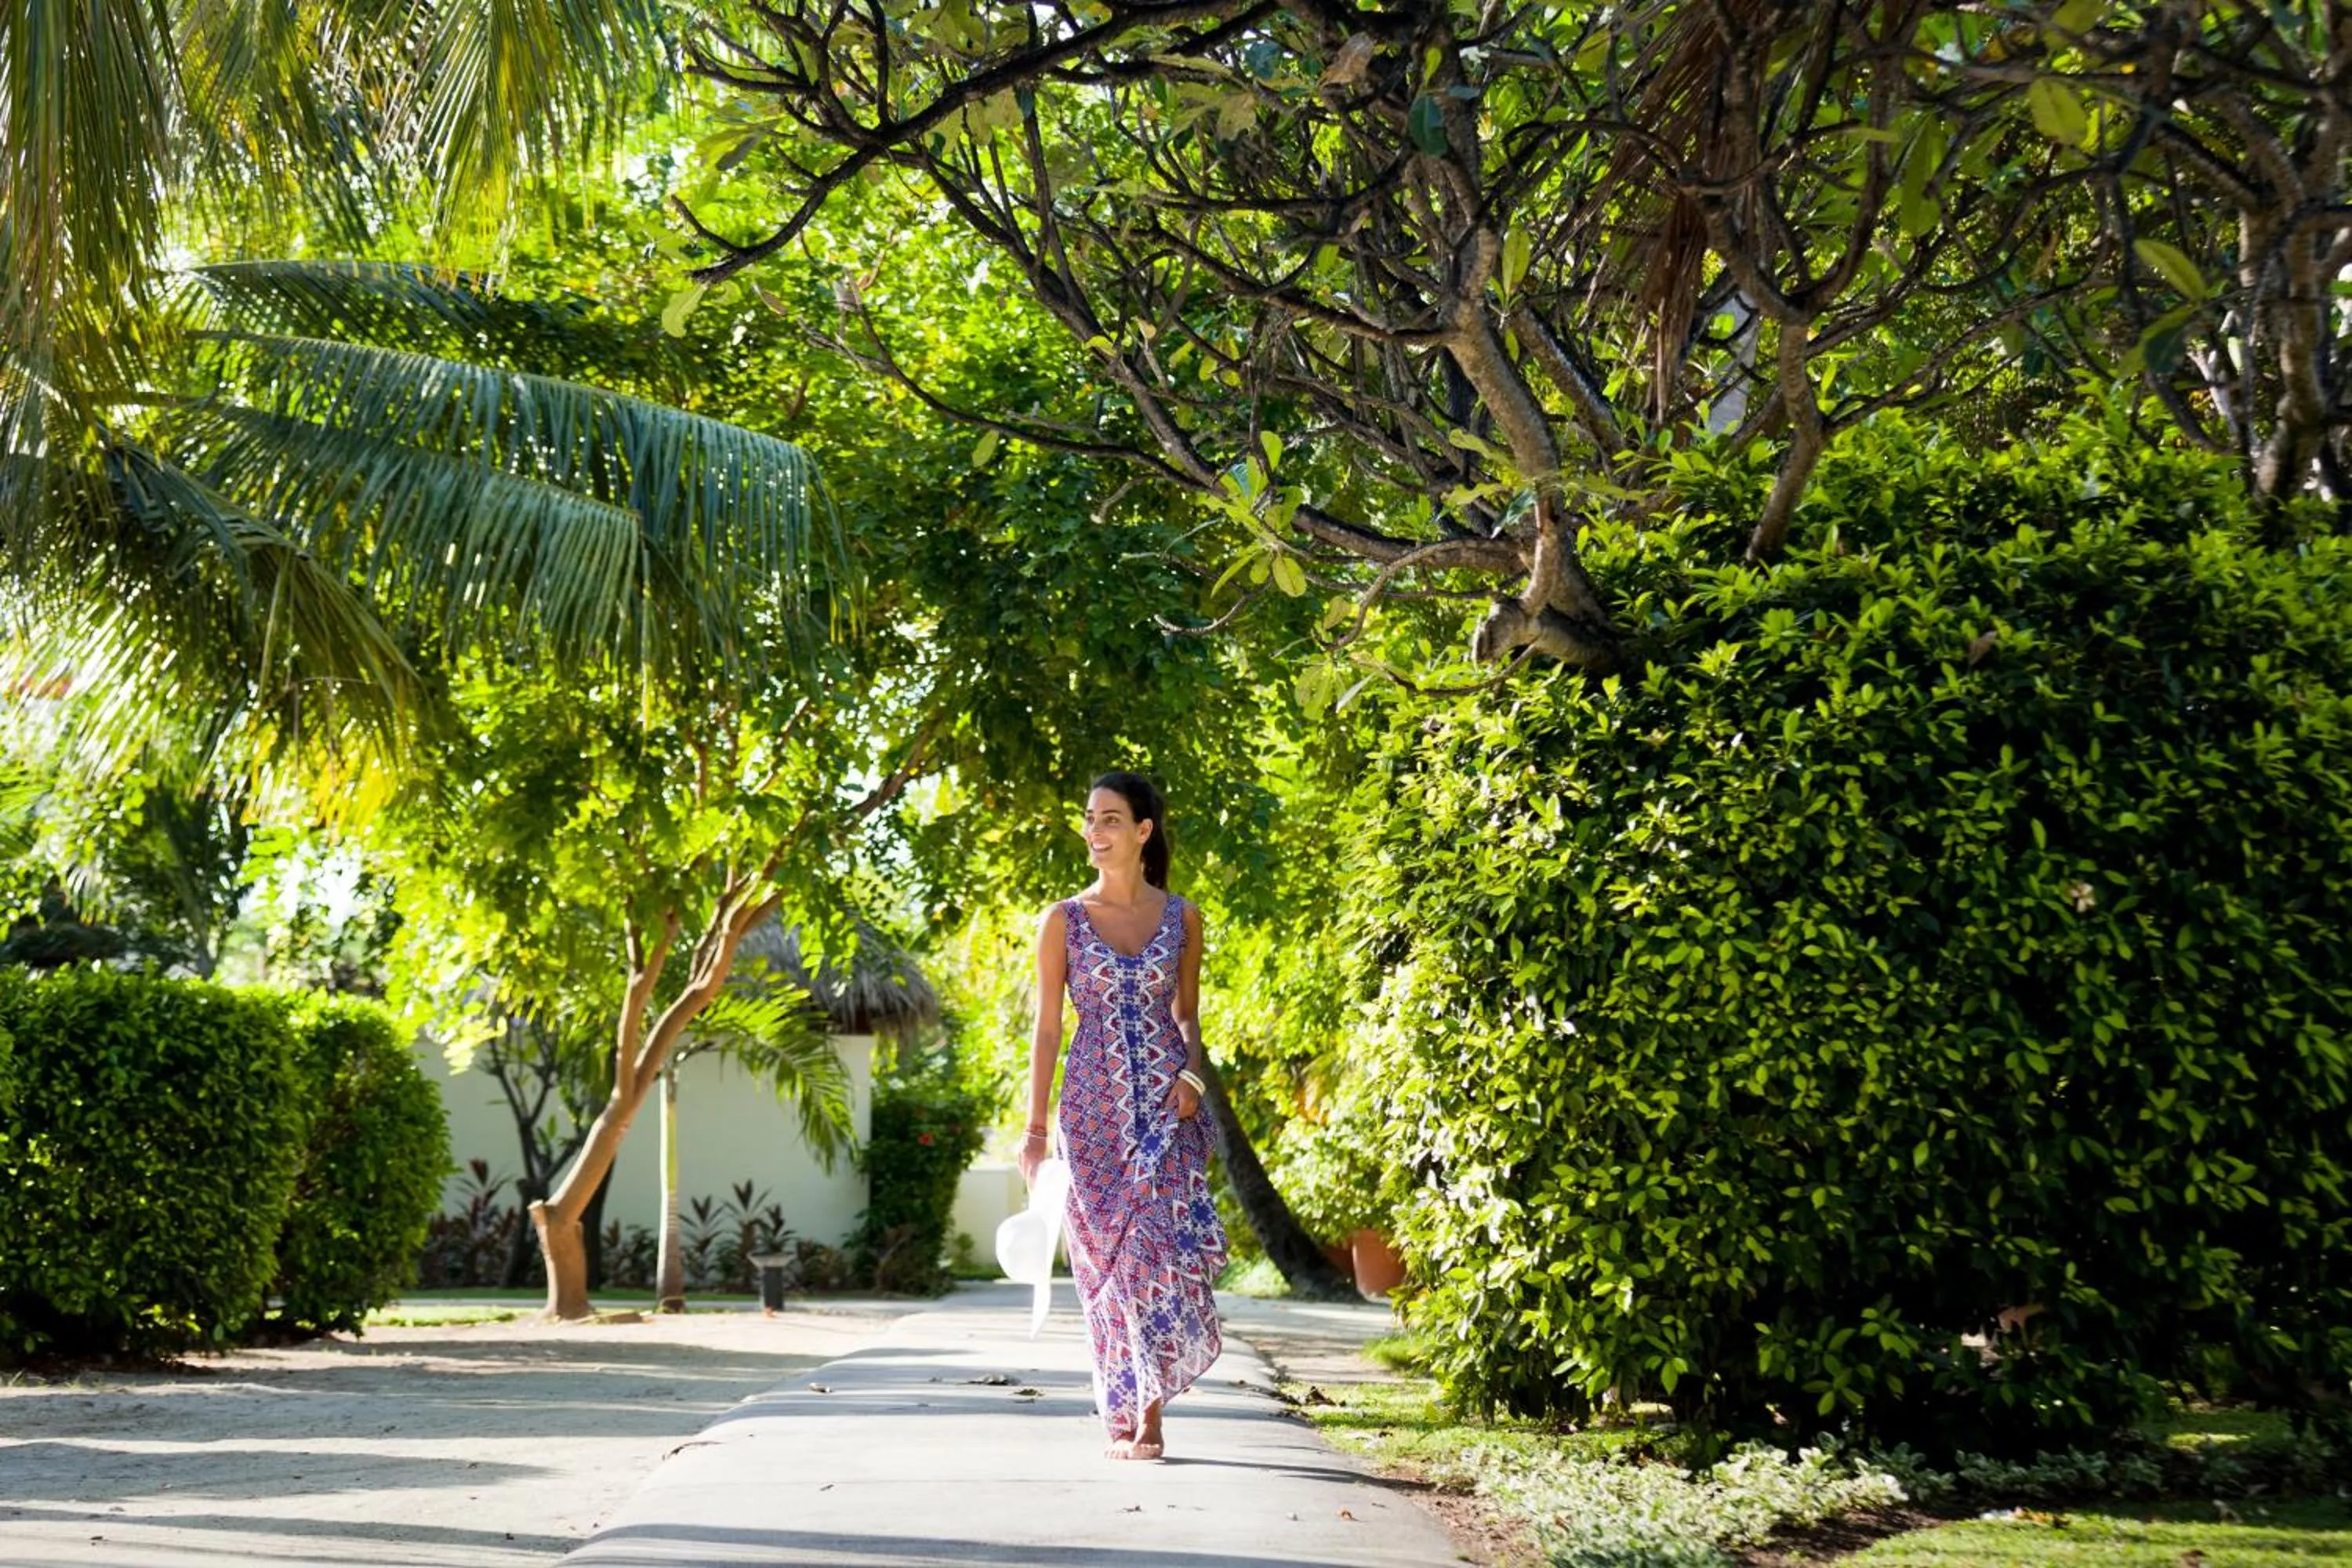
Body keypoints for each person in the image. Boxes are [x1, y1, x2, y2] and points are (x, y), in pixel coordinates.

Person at [1019, 771, 1229, 1460]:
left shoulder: (1183, 917)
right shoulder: (1064, 920)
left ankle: (1152, 1416)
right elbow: (1048, 1030)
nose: (1095, 831)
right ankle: (1126, 1403)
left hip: (1169, 1109)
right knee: (1104, 1266)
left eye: (1110, 819)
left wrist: (1193, 1073)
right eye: (1089, 819)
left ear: (1143, 831)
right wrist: (1034, 1131)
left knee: (1153, 1253)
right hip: (1092, 1112)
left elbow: (1188, 1014)